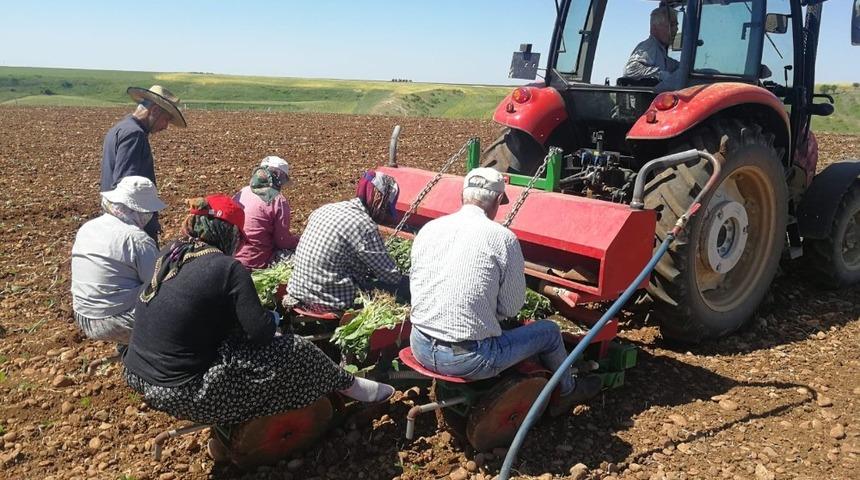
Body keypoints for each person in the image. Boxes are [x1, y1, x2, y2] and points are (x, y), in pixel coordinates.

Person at [122, 194, 394, 430]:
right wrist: (272, 318)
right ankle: (350, 386)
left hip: (138, 374)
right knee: (296, 349)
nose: (239, 244)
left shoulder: (171, 253)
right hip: (184, 391)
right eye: (238, 237)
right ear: (228, 233)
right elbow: (260, 332)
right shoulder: (226, 268)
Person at [408, 168, 602, 417]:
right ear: (499, 200)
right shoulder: (503, 238)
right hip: (467, 360)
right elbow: (511, 308)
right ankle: (567, 391)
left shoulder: (430, 229)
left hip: (420, 346)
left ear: (462, 194)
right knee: (550, 332)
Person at [287, 171, 408, 312]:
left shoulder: (326, 209)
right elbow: (391, 276)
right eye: (385, 209)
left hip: (298, 290)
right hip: (327, 301)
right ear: (378, 200)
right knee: (402, 286)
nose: (384, 215)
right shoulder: (363, 224)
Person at [71, 176, 166, 345]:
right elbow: (159, 283)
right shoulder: (136, 239)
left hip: (83, 314)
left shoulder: (88, 227)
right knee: (174, 309)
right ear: (139, 211)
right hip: (114, 321)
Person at [100, 85, 187, 243]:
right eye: (166, 119)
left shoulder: (120, 128)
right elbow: (126, 188)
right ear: (154, 110)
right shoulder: (135, 135)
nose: (166, 126)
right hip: (131, 230)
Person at [233, 156, 301, 269]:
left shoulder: (242, 192)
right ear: (279, 178)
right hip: (255, 261)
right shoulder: (278, 199)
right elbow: (282, 241)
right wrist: (299, 241)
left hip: (233, 257)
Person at [623, 6, 681, 89]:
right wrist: (661, 74)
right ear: (654, 28)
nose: (676, 29)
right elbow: (630, 69)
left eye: (676, 25)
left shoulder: (661, 51)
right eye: (671, 25)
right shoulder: (649, 47)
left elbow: (672, 65)